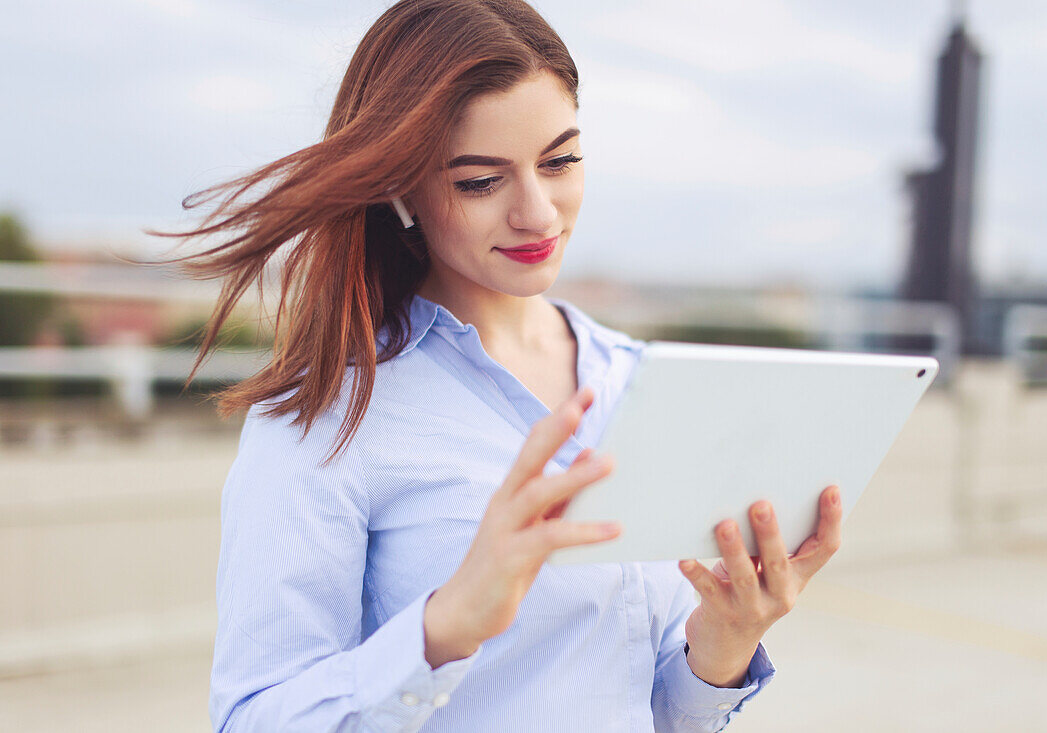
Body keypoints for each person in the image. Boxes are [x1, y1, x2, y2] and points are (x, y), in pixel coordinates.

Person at [163, 1, 843, 730]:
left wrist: (726, 640)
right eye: (481, 181)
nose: (539, 213)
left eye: (561, 161)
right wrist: (446, 625)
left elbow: (658, 714)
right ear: (401, 190)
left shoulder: (636, 378)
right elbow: (253, 717)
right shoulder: (327, 414)